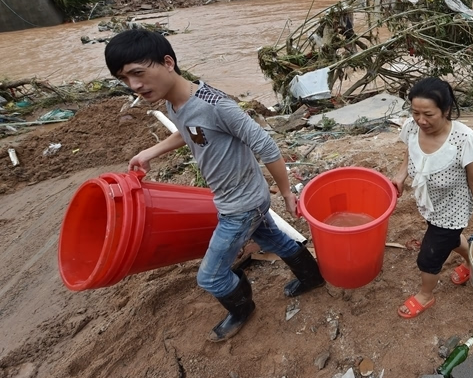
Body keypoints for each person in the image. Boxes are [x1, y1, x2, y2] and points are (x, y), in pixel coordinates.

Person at [104, 30, 324, 342]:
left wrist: (287, 193)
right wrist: (149, 152)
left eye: (138, 73)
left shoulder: (216, 105)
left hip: (241, 206)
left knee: (210, 275)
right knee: (272, 238)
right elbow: (189, 130)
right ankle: (312, 277)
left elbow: (266, 146)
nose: (135, 86)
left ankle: (242, 310)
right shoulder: (175, 102)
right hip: (242, 198)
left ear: (168, 62)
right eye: (124, 79)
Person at [391, 78, 473, 319]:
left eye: (428, 114)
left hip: (453, 211)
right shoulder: (412, 127)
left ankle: (426, 295)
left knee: (429, 256)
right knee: (448, 239)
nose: (421, 120)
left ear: (446, 110)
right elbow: (411, 150)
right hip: (429, 204)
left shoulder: (465, 140)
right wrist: (401, 176)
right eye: (415, 112)